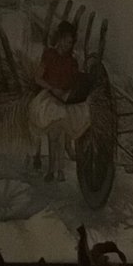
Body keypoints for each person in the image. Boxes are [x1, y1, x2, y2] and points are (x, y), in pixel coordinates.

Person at [30, 21, 84, 181]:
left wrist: (67, 93)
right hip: (48, 97)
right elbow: (37, 78)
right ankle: (52, 170)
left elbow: (74, 83)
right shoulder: (49, 54)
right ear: (59, 39)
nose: (68, 45)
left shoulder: (72, 61)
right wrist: (52, 89)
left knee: (62, 127)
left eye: (71, 43)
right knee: (54, 131)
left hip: (64, 99)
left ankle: (58, 169)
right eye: (66, 41)